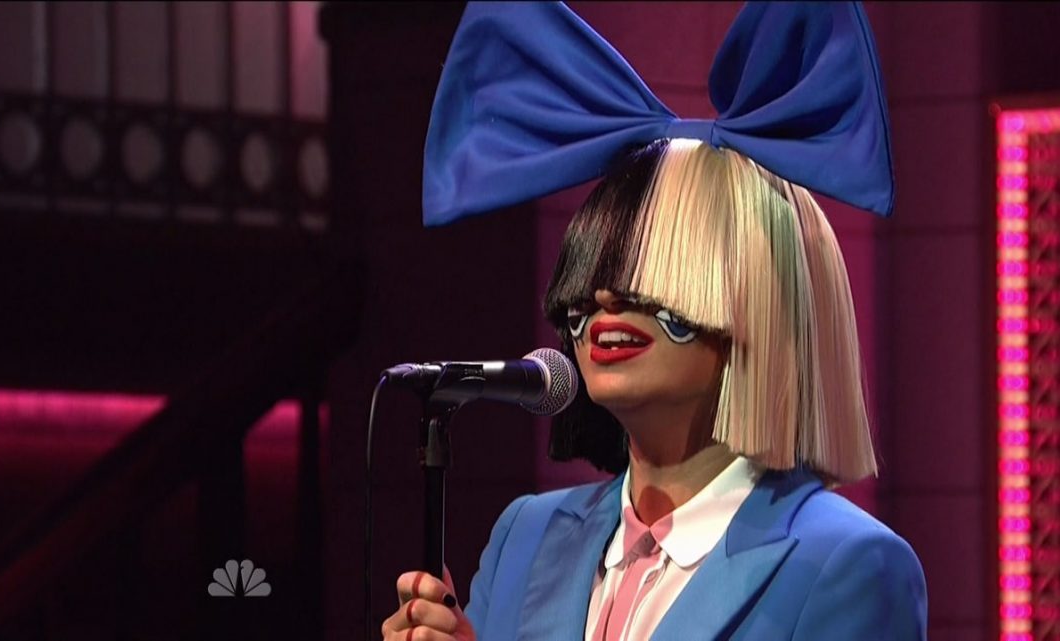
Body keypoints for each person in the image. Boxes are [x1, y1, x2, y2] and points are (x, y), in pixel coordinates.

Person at [382, 2, 928, 640]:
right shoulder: (524, 536)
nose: (605, 294)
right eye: (597, 263)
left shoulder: (849, 565)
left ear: (760, 305)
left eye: (653, 271)